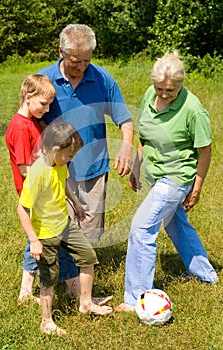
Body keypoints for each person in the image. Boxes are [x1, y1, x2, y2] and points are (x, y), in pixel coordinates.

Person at [117, 51, 219, 312]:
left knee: (141, 229)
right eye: (159, 88)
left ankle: (137, 298)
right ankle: (205, 275)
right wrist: (137, 168)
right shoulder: (150, 96)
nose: (163, 94)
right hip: (156, 174)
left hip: (177, 177)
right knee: (176, 226)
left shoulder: (194, 110)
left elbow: (204, 150)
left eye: (170, 91)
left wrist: (196, 187)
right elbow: (145, 137)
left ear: (181, 84)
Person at [38, 24, 133, 298]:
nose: (81, 66)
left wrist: (126, 146)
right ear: (61, 52)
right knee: (56, 229)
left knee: (89, 233)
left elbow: (124, 119)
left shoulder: (102, 79)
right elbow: (29, 118)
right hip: (57, 171)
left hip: (94, 169)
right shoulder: (45, 79)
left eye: (87, 60)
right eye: (75, 61)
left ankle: (78, 287)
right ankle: (64, 286)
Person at [17, 121, 113, 336]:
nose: (71, 160)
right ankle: (46, 322)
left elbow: (64, 184)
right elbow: (22, 210)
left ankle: (85, 303)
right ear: (54, 150)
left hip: (65, 224)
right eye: (69, 155)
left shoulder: (59, 165)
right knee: (49, 278)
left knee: (88, 256)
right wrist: (33, 240)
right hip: (46, 233)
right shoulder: (38, 173)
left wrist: (76, 204)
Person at [5, 74, 56, 303]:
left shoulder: (30, 122)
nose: (46, 110)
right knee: (34, 242)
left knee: (35, 241)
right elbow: (26, 169)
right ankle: (25, 292)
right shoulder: (20, 127)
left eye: (49, 106)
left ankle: (27, 291)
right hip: (33, 194)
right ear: (28, 97)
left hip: (38, 193)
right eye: (43, 104)